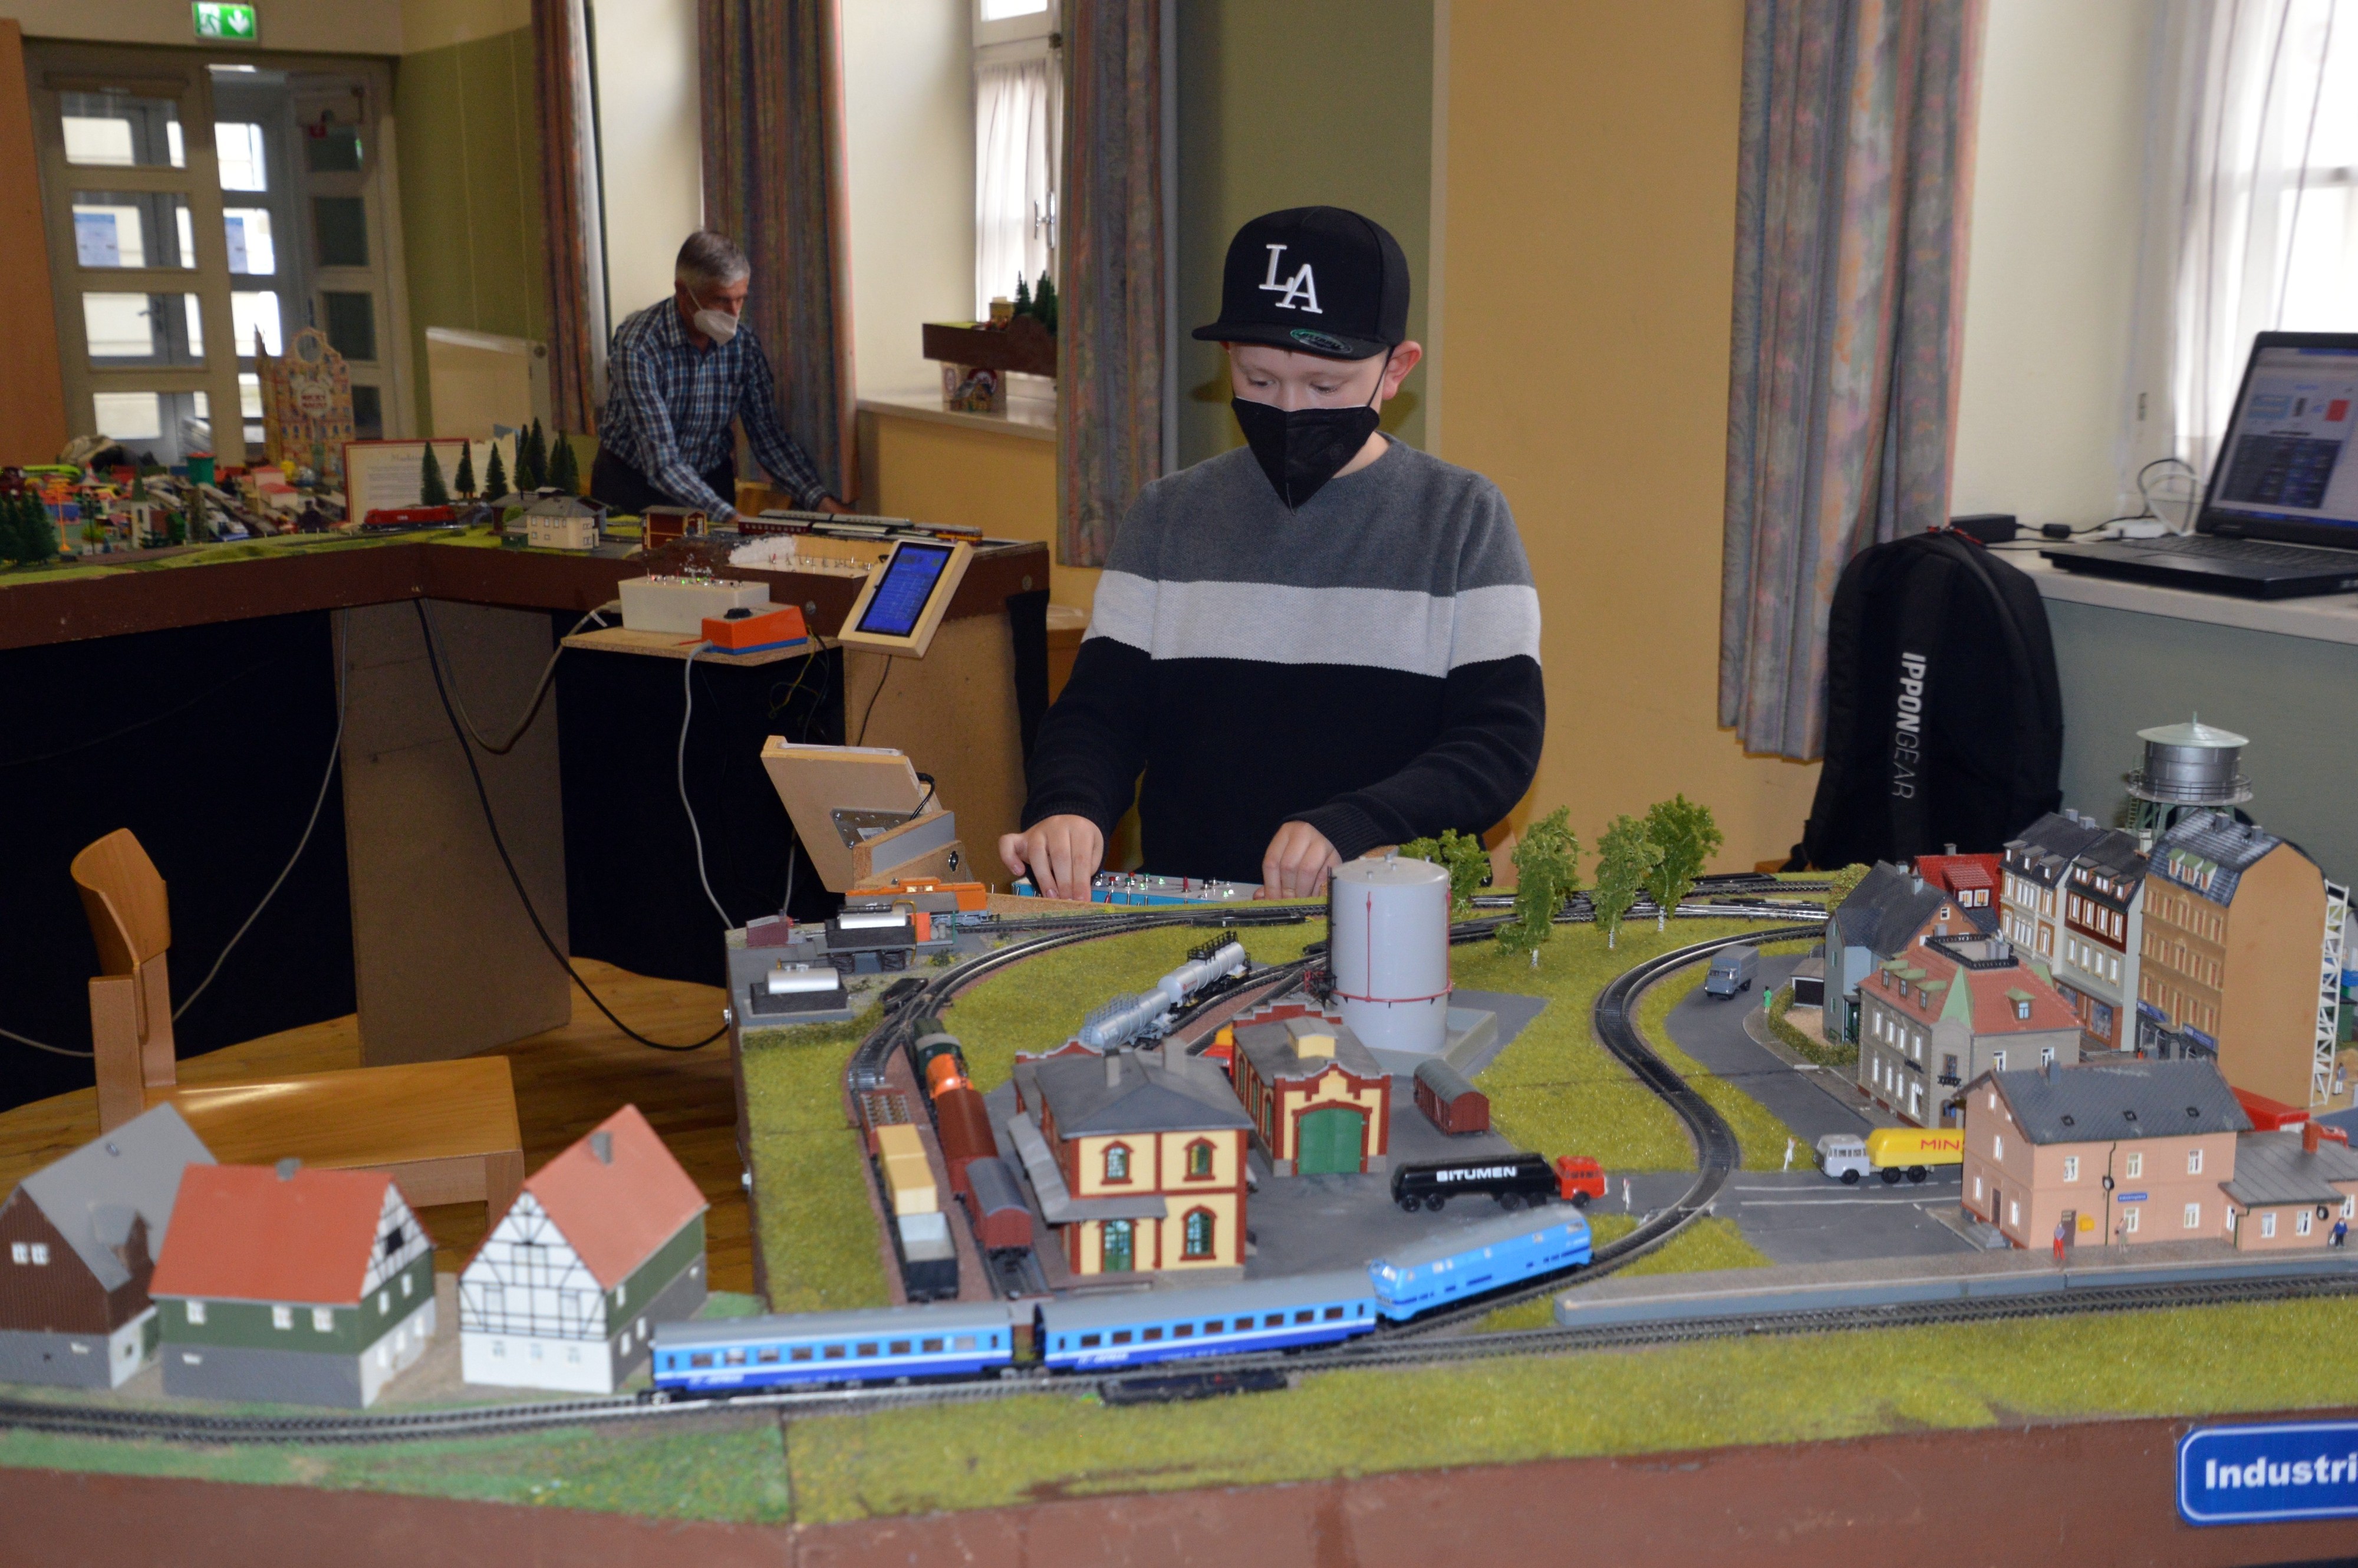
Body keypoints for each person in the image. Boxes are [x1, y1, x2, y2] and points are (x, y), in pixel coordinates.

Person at [1002, 207, 1543, 899]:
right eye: (1258, 381)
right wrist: (1069, 806)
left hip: (1384, 914)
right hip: (1190, 907)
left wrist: (1358, 822)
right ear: (1229, 356)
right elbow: (1100, 713)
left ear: (1396, 369)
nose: (1288, 410)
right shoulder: (1167, 516)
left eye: (1324, 386)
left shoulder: (1463, 519)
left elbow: (1498, 741)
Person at [591, 230, 849, 521]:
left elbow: (768, 438)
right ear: (683, 291)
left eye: (741, 300)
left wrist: (823, 504)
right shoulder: (639, 346)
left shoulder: (744, 345)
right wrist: (732, 519)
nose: (734, 313)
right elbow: (662, 463)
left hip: (710, 479)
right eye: (721, 300)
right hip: (634, 484)